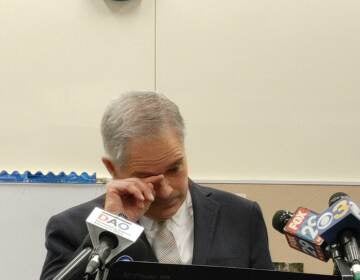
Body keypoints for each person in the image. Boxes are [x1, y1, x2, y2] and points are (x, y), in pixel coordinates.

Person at [40, 91, 273, 280]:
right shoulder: (71, 229)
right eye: (146, 177)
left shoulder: (241, 217)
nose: (167, 190)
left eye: (175, 168)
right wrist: (110, 227)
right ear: (112, 169)